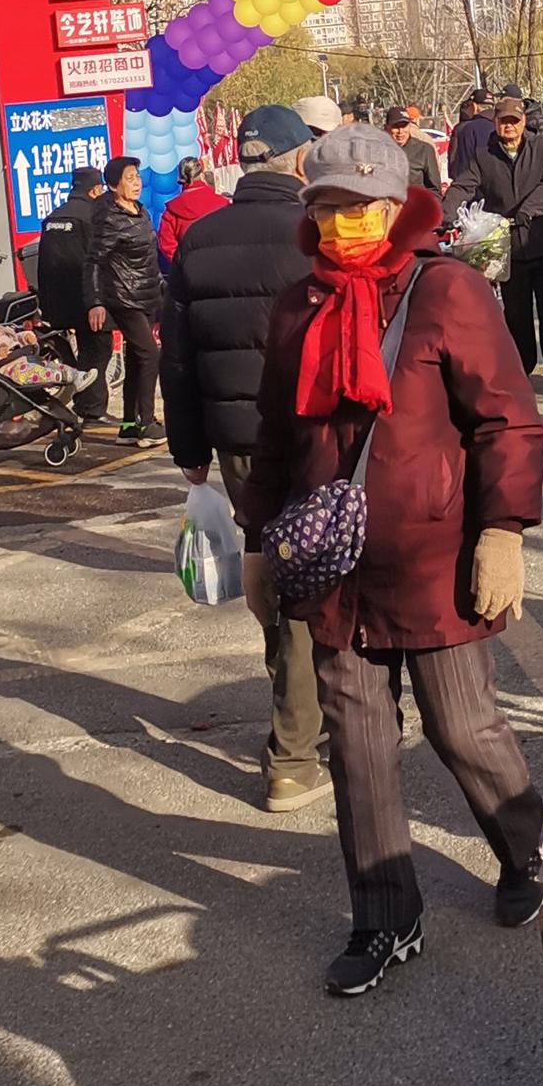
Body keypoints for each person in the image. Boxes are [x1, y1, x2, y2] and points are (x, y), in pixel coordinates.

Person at [244, 125, 543, 995]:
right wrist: (257, 539)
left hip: (432, 559)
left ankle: (521, 843)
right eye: (328, 206)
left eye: (360, 205)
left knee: (463, 727)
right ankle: (385, 914)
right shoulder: (297, 305)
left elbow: (507, 419)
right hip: (333, 567)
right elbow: (274, 436)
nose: (344, 221)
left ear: (395, 207)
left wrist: (504, 531)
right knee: (358, 744)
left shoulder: (446, 289)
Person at [161, 103, 326, 809]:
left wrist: (189, 448)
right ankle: (295, 752)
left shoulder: (199, 239)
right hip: (316, 437)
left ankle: (305, 719)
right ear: (298, 160)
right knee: (312, 581)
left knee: (273, 572)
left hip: (238, 444)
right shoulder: (316, 232)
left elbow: (177, 357)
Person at [443, 95, 543, 394]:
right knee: (516, 314)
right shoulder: (483, 155)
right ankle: (521, 371)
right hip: (508, 250)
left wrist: (529, 210)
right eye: (504, 121)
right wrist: (444, 214)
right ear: (495, 122)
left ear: (524, 122)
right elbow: (463, 186)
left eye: (515, 121)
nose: (510, 126)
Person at [84, 155, 162, 444]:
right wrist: (95, 301)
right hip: (123, 297)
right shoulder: (109, 218)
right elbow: (94, 261)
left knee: (137, 358)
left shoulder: (140, 211)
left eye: (137, 177)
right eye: (129, 178)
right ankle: (147, 423)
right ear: (114, 185)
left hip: (146, 295)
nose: (136, 183)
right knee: (150, 355)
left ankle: (129, 424)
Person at [36, 165, 114, 421]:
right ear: (95, 190)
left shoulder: (53, 218)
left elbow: (43, 263)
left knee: (82, 350)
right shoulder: (92, 216)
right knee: (97, 350)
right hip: (88, 300)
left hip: (57, 301)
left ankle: (81, 400)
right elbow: (100, 260)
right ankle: (91, 408)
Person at [155, 157, 225, 273]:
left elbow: (166, 244)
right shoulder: (223, 204)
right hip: (221, 268)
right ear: (201, 175)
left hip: (188, 272)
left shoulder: (172, 211)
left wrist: (183, 263)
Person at [383, 106, 443, 197]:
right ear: (386, 128)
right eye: (395, 126)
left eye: (404, 126)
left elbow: (435, 190)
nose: (400, 131)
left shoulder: (424, 150)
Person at [447, 91, 494, 183]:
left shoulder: (463, 128)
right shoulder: (506, 126)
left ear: (474, 106)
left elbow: (455, 165)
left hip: (472, 185)